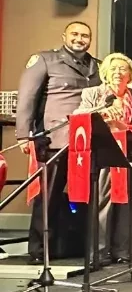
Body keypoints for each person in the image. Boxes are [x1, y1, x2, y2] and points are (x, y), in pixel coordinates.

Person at [16, 21, 100, 262]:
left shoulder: (97, 65)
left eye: (85, 35)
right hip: (55, 140)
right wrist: (24, 135)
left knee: (85, 197)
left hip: (88, 142)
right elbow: (27, 98)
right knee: (48, 197)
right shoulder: (45, 60)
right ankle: (39, 250)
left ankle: (81, 248)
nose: (80, 39)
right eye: (75, 34)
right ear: (64, 36)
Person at [74, 54, 132, 265]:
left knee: (126, 202)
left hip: (129, 155)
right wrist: (102, 111)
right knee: (103, 203)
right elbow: (79, 115)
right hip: (103, 155)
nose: (118, 73)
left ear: (130, 75)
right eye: (113, 69)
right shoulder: (93, 93)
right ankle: (98, 253)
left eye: (123, 69)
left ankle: (122, 251)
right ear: (105, 73)